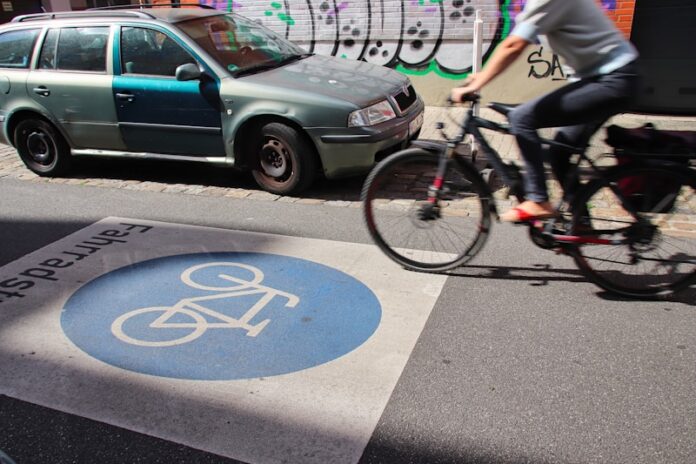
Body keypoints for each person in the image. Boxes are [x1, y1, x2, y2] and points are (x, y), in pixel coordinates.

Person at [451, 0, 640, 222]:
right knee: (560, 154)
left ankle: (538, 200)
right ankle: (582, 222)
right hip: (605, 80)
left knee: (521, 117)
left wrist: (477, 83)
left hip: (610, 80)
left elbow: (513, 45)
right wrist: (479, 78)